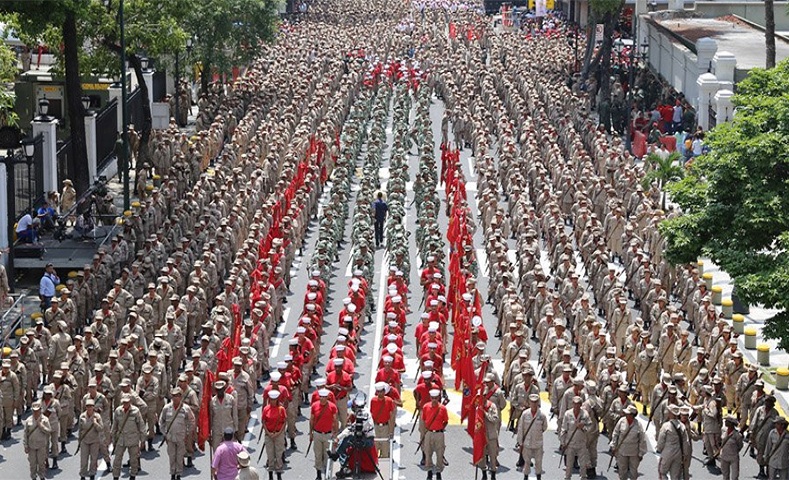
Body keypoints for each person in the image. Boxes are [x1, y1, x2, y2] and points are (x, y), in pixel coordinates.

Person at [159, 387, 195, 480]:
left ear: (181, 396)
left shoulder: (186, 409)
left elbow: (192, 421)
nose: (175, 398)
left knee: (180, 456)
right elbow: (161, 422)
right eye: (174, 396)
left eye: (178, 396)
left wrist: (188, 433)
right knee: (172, 456)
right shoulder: (167, 408)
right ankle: (172, 474)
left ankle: (179, 474)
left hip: (181, 436)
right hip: (170, 437)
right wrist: (165, 434)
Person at [111, 393, 146, 480]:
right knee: (117, 460)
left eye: (127, 402)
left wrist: (143, 440)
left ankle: (132, 476)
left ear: (130, 402)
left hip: (132, 439)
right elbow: (114, 426)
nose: (125, 404)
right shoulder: (118, 411)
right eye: (124, 402)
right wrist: (113, 439)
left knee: (134, 460)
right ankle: (115, 477)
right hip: (121, 439)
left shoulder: (136, 411)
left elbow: (141, 426)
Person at [609, 405, 646, 480]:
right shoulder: (621, 421)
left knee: (633, 472)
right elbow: (615, 433)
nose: (626, 415)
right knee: (622, 470)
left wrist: (641, 453)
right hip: (622, 451)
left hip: (634, 452)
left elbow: (642, 439)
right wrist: (613, 446)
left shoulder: (638, 425)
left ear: (632, 415)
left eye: (628, 414)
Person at [309, 388, 339, 480]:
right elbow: (312, 420)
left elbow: (335, 421)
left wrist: (336, 435)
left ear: (327, 398)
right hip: (317, 434)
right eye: (321, 397)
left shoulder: (332, 407)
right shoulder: (314, 406)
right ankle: (318, 475)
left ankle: (327, 474)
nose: (322, 399)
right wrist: (311, 433)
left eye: (324, 397)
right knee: (318, 455)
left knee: (327, 455)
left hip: (328, 434)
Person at [516, 393, 547, 480]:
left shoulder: (542, 415)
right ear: (529, 402)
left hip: (538, 443)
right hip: (527, 443)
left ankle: (538, 477)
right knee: (527, 462)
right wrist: (520, 442)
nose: (534, 404)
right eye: (532, 402)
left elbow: (544, 427)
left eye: (535, 402)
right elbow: (521, 428)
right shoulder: (525, 414)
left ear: (538, 403)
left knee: (538, 462)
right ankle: (525, 476)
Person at [422, 389, 448, 480]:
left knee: (440, 453)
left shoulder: (443, 408)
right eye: (432, 398)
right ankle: (429, 472)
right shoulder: (425, 407)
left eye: (436, 398)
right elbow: (424, 419)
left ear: (438, 398)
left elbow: (445, 421)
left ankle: (438, 472)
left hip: (439, 434)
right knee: (428, 452)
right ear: (430, 398)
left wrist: (441, 428)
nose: (434, 400)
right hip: (429, 433)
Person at [262, 390, 286, 480]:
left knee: (279, 454)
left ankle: (279, 474)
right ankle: (270, 475)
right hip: (269, 435)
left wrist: (279, 433)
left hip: (278, 434)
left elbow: (284, 422)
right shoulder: (266, 409)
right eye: (271, 399)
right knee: (270, 454)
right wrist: (268, 433)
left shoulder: (281, 409)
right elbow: (264, 422)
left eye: (274, 399)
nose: (273, 401)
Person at [24, 401, 52, 480]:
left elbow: (49, 431)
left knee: (41, 463)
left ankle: (42, 476)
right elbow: (25, 434)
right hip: (31, 445)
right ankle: (33, 477)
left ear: (40, 410)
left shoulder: (45, 420)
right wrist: (25, 445)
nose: (36, 412)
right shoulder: (28, 420)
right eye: (34, 411)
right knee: (32, 464)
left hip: (41, 445)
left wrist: (41, 426)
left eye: (37, 410)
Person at [78, 398, 104, 480]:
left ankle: (92, 474)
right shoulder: (82, 416)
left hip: (94, 441)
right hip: (84, 441)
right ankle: (83, 475)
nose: (89, 408)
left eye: (91, 406)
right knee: (84, 460)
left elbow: (101, 429)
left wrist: (95, 423)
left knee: (93, 459)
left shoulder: (97, 416)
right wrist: (79, 441)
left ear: (93, 407)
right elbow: (80, 429)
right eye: (87, 406)